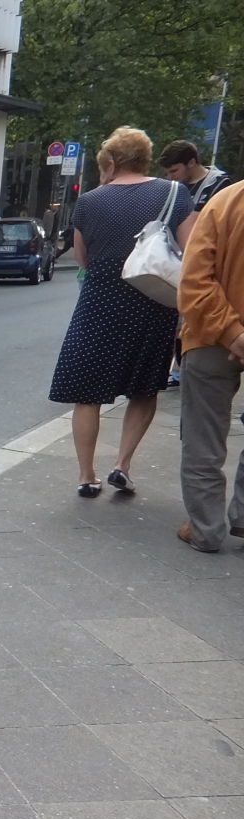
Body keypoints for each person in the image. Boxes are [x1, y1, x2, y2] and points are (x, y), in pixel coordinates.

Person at [48, 126, 193, 498]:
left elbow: (82, 260)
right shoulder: (175, 193)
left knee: (88, 396)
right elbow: (188, 255)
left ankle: (85, 475)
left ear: (110, 163)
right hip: (152, 306)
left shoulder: (90, 202)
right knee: (144, 390)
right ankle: (122, 465)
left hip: (98, 306)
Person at [174, 181, 244, 552]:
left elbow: (194, 281)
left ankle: (206, 529)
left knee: (203, 439)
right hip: (220, 337)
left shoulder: (225, 202)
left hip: (210, 340)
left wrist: (232, 333)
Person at [157, 141, 233, 388]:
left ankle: (181, 368)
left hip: (204, 264)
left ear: (192, 163)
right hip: (173, 261)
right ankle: (176, 367)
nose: (171, 177)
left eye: (174, 171)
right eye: (167, 173)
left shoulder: (221, 186)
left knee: (190, 315)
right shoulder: (172, 189)